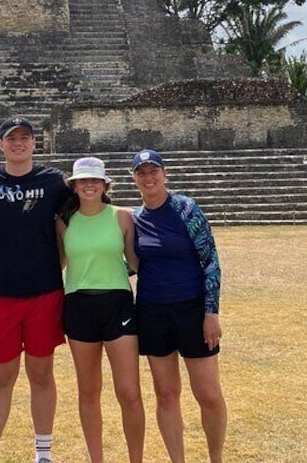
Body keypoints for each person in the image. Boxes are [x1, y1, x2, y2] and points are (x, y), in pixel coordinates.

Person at [0, 116, 70, 463]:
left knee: (41, 373)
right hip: (0, 294)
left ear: (36, 143)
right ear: (1, 145)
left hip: (44, 292)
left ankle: (43, 452)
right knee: (2, 376)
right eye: (12, 139)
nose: (18, 143)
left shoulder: (54, 182)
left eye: (25, 138)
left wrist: (62, 259)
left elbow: (75, 220)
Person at [129, 149, 228, 463]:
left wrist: (211, 312)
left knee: (208, 394)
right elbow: (131, 265)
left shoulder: (185, 208)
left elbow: (210, 261)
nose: (149, 177)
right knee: (166, 394)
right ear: (134, 179)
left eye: (153, 171)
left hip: (191, 309)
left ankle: (216, 458)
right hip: (153, 311)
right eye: (142, 172)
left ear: (164, 173)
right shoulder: (134, 219)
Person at [55, 157, 145, 463]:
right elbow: (57, 265)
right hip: (78, 307)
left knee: (129, 392)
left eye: (95, 180)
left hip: (117, 304)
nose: (89, 185)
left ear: (105, 184)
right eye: (83, 181)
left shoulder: (123, 217)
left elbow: (136, 261)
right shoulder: (64, 221)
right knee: (89, 391)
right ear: (75, 186)